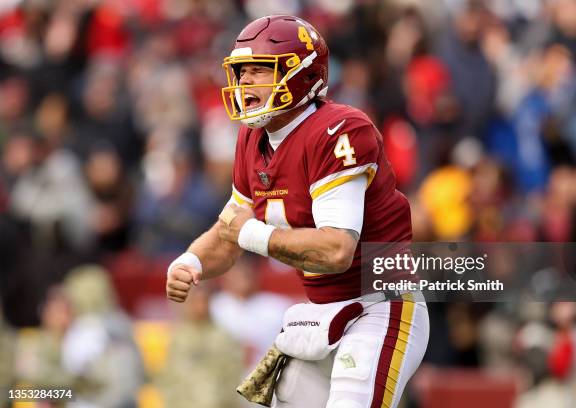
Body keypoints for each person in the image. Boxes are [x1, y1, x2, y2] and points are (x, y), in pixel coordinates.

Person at [166, 15, 429, 408]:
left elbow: (337, 250)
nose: (245, 84)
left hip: (379, 306)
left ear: (301, 75)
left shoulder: (339, 130)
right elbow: (230, 229)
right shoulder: (252, 138)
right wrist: (193, 261)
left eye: (259, 71)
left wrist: (251, 233)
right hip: (320, 311)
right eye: (241, 72)